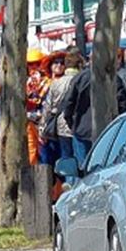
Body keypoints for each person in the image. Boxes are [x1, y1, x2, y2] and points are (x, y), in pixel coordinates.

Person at [43, 52, 82, 180]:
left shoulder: (56, 83)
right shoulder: (83, 79)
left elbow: (48, 107)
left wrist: (42, 127)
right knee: (81, 158)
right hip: (80, 124)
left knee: (66, 157)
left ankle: (69, 183)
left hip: (62, 125)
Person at [37, 50, 68, 166]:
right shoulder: (43, 83)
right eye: (56, 63)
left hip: (62, 127)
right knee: (46, 161)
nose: (59, 65)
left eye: (62, 63)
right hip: (47, 128)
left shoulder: (68, 81)